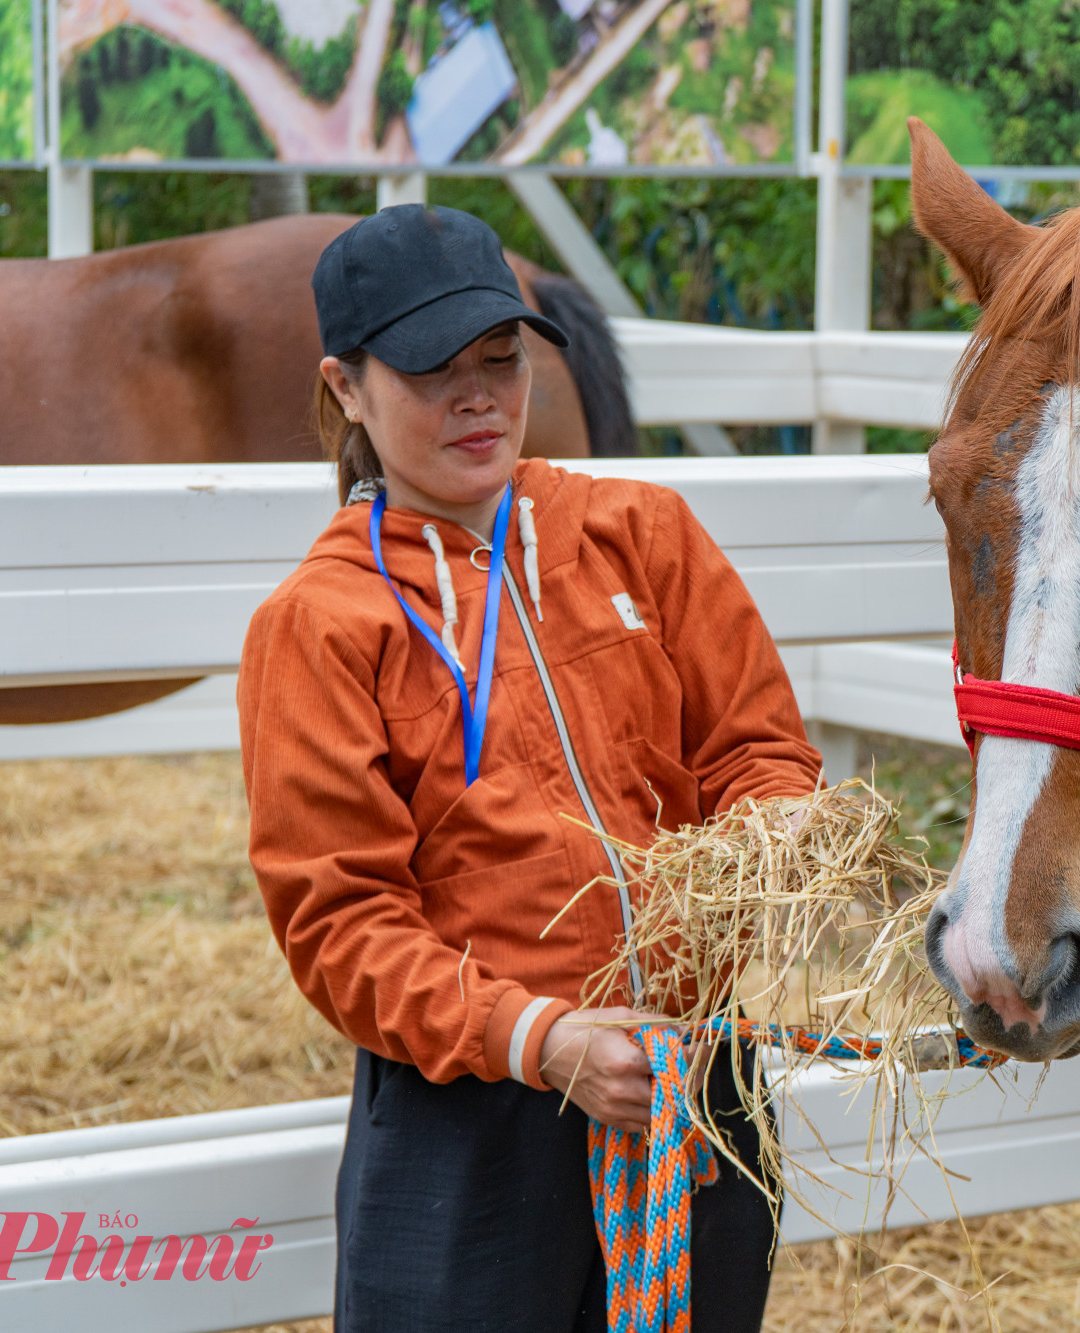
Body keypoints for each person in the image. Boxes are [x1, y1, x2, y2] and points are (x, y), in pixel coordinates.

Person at [237, 204, 819, 1333]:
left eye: (498, 362)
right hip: (478, 1117)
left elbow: (757, 746)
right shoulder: (322, 623)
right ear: (345, 387)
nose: (478, 399)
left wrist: (777, 834)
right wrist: (543, 1040)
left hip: (690, 1088)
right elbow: (342, 921)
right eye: (429, 371)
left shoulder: (641, 533)